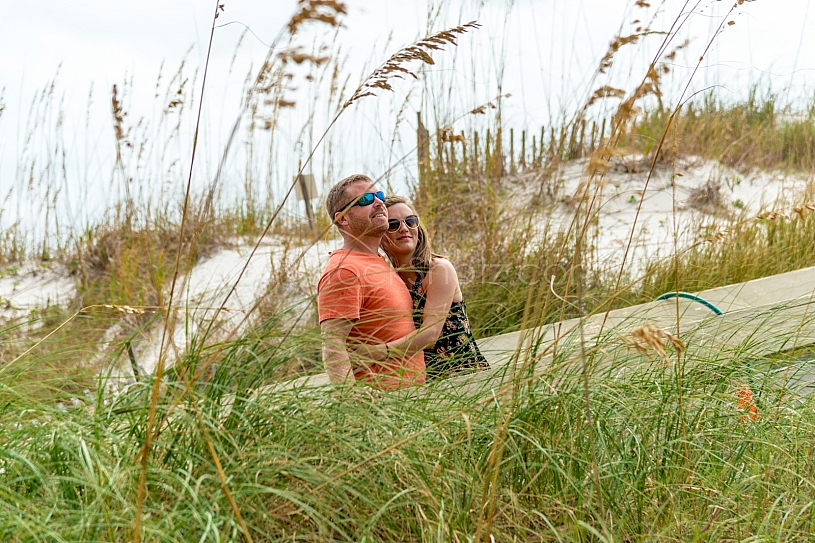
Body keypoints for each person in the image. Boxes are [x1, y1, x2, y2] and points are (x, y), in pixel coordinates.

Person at [358, 195, 489, 380]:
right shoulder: (389, 280)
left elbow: (430, 334)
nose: (404, 228)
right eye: (393, 224)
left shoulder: (438, 269)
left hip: (462, 375)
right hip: (421, 380)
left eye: (410, 221)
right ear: (381, 234)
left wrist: (377, 352)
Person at [317, 174, 425, 391]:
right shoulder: (344, 270)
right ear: (343, 219)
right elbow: (333, 344)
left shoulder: (378, 260)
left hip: (412, 399)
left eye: (380, 196)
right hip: (383, 405)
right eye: (366, 199)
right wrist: (351, 397)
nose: (379, 203)